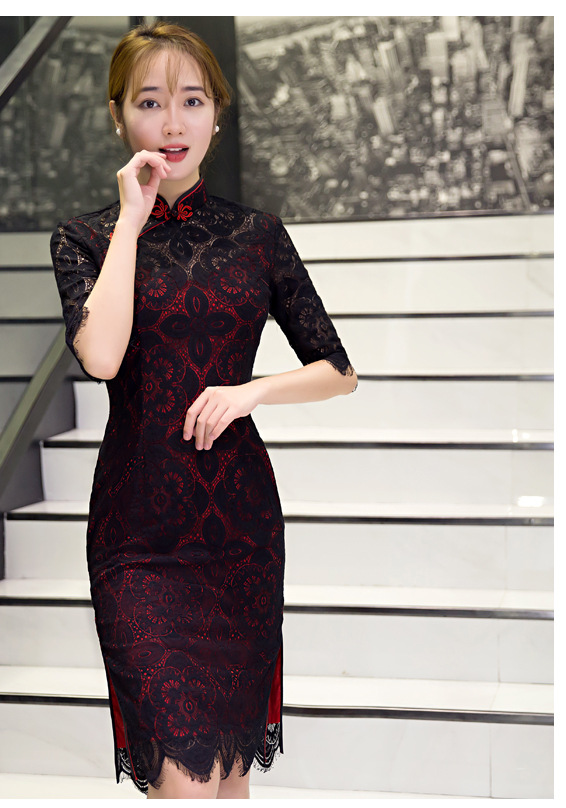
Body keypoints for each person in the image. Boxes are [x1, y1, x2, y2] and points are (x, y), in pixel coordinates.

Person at [51, 21, 357, 800]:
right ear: (119, 115)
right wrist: (131, 220)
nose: (173, 122)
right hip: (138, 537)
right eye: (150, 102)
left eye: (192, 101)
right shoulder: (85, 239)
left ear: (217, 114)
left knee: (227, 780)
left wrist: (251, 392)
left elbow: (337, 371)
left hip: (239, 533)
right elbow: (102, 357)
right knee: (182, 783)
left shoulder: (258, 237)